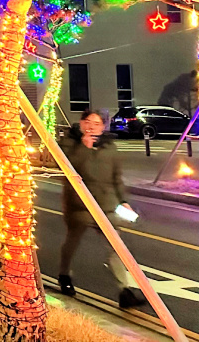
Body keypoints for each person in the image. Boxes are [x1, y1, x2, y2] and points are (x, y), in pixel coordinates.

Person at [58, 109, 146, 308]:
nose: (91, 126)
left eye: (96, 123)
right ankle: (64, 275)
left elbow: (116, 178)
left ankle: (124, 290)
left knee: (116, 247)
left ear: (103, 126)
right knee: (72, 242)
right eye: (88, 121)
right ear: (81, 123)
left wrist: (123, 200)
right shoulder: (70, 142)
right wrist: (84, 148)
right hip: (80, 205)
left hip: (106, 206)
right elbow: (68, 168)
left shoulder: (109, 147)